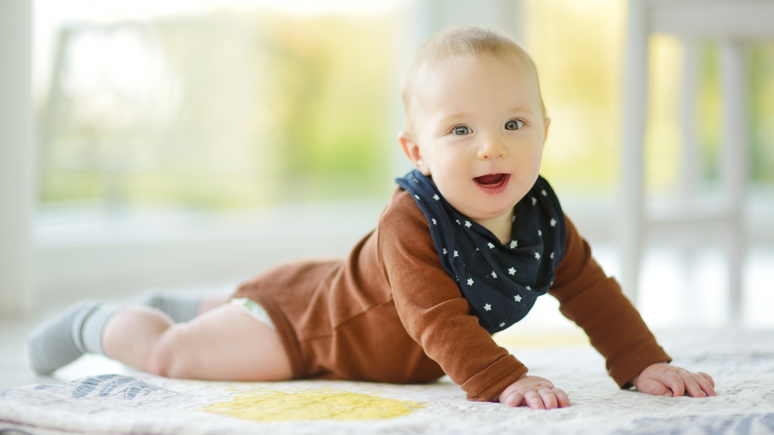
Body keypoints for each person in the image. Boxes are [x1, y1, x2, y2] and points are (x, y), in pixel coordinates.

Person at [26, 25, 716, 410]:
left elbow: (593, 289)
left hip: (334, 290)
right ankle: (102, 320)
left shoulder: (541, 217)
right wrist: (503, 376)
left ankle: (197, 303)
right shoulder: (410, 223)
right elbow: (435, 320)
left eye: (513, 122)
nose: (491, 145)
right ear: (416, 151)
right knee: (177, 354)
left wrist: (643, 362)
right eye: (459, 129)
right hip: (305, 333)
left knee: (258, 299)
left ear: (544, 128)